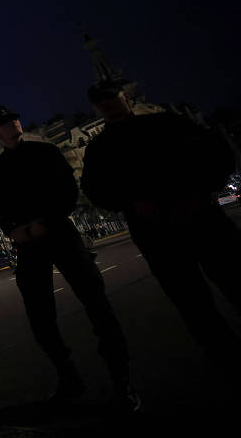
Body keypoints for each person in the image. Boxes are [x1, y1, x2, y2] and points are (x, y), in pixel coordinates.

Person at [0, 109, 139, 412]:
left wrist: (47, 219)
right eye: (5, 124)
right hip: (28, 244)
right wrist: (13, 229)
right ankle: (68, 376)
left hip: (60, 233)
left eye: (14, 119)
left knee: (96, 302)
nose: (13, 124)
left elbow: (68, 190)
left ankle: (122, 379)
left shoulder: (46, 151)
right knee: (39, 315)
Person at [82, 80, 241, 367]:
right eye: (99, 102)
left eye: (111, 97)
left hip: (201, 219)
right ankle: (225, 355)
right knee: (192, 302)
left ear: (124, 97)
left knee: (235, 278)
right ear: (95, 108)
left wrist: (202, 190)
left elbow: (217, 151)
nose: (107, 104)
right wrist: (130, 203)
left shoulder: (166, 123)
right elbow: (95, 190)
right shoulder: (100, 148)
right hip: (157, 233)